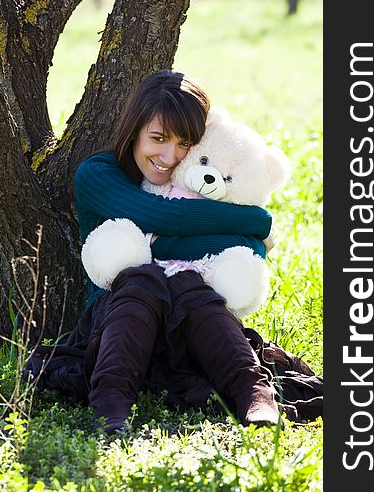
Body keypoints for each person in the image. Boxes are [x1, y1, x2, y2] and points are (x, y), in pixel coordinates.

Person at [24, 69, 282, 433]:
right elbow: (164, 214)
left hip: (197, 328)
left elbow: (247, 249)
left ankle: (255, 396)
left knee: (188, 285)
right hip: (122, 323)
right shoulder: (98, 174)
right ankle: (109, 408)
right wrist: (255, 221)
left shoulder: (196, 186)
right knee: (143, 277)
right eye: (157, 138)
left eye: (184, 144)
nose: (169, 156)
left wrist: (160, 244)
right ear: (134, 129)